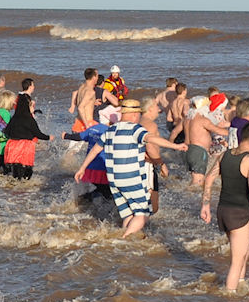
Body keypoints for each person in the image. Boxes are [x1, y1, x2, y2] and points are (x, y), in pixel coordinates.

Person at [75, 98, 184, 237]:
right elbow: (152, 139)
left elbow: (95, 150)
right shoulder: (135, 129)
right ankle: (124, 238)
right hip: (131, 178)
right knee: (142, 214)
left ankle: (123, 237)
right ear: (134, 114)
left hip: (114, 181)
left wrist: (82, 168)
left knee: (128, 214)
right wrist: (175, 146)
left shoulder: (110, 130)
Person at [200, 122, 249, 291]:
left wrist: (205, 206)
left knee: (244, 251)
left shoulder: (224, 155)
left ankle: (241, 284)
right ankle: (230, 300)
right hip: (238, 214)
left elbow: (208, 179)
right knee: (236, 261)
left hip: (223, 212)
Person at [64, 104, 116, 201]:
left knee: (96, 188)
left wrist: (66, 136)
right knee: (107, 193)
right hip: (102, 167)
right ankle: (88, 199)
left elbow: (79, 137)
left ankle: (83, 199)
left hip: (89, 166)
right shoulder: (110, 131)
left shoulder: (93, 128)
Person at [3, 91, 51, 179]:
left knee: (16, 172)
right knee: (27, 172)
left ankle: (14, 188)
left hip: (13, 146)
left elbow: (6, 131)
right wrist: (48, 137)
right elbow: (38, 134)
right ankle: (25, 190)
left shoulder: (14, 118)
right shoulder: (30, 119)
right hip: (26, 148)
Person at [186, 95, 230, 185]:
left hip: (190, 150)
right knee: (198, 182)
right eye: (206, 107)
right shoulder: (202, 120)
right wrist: (234, 131)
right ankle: (192, 198)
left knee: (194, 178)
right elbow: (217, 130)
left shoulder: (188, 120)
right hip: (199, 151)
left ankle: (187, 196)